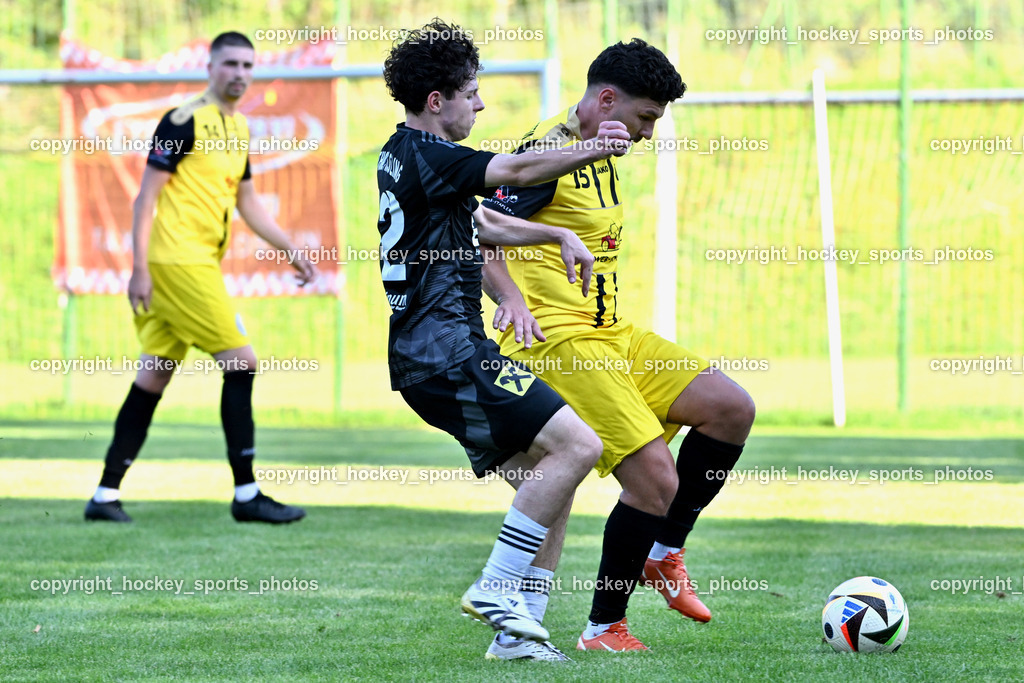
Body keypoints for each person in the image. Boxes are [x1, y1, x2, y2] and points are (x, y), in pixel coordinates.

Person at [481, 39, 756, 651]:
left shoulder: (601, 147)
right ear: (606, 99)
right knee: (655, 478)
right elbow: (483, 234)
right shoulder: (548, 152)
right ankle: (603, 627)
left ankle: (665, 552)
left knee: (729, 408)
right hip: (561, 341)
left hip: (613, 331)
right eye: (644, 118)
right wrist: (513, 300)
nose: (647, 133)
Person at [378, 20, 631, 661]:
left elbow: (485, 220)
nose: (480, 104)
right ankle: (495, 586)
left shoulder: (406, 155)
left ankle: (515, 639)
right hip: (448, 353)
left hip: (430, 359)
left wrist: (555, 237)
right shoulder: (433, 155)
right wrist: (594, 150)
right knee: (580, 444)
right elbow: (514, 169)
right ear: (437, 101)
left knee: (551, 479)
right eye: (471, 93)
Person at [84, 31, 318, 524]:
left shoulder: (239, 129)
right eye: (230, 63)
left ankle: (104, 496)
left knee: (154, 375)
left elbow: (248, 201)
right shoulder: (182, 120)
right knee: (242, 362)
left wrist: (291, 249)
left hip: (196, 262)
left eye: (248, 65)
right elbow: (145, 198)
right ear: (210, 67)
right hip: (176, 262)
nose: (239, 73)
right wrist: (139, 269)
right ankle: (247, 494)